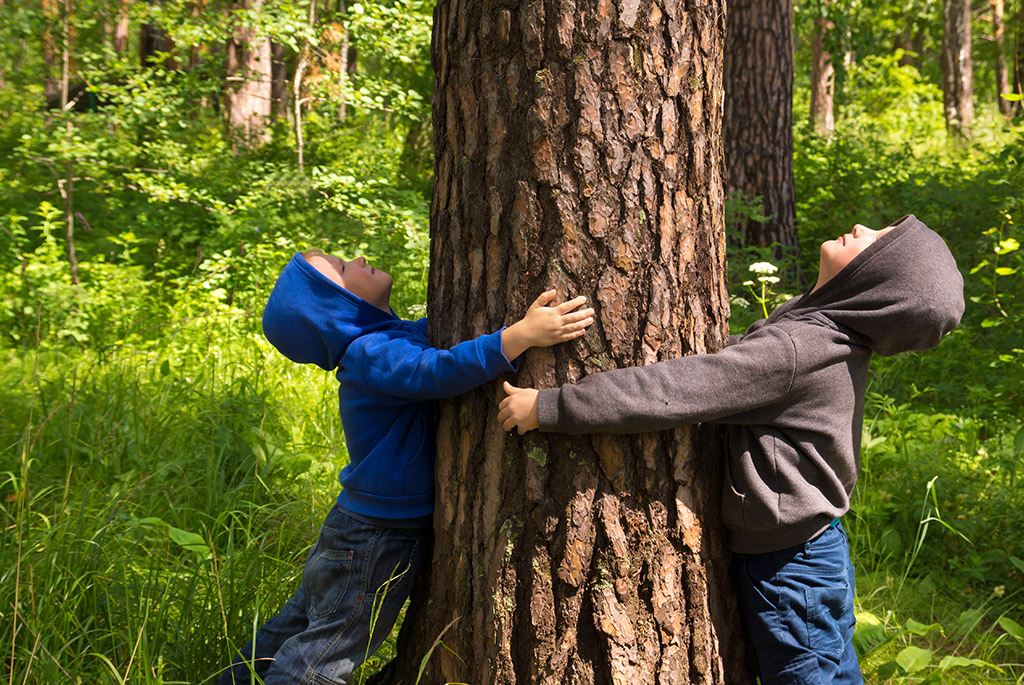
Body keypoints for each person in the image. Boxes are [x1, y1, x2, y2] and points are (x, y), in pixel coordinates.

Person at [496, 215, 964, 683]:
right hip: (810, 554)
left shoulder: (799, 348)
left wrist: (551, 406)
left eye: (876, 243)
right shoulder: (817, 332)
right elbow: (728, 371)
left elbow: (675, 390)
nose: (862, 228)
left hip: (791, 568)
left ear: (873, 284)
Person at [219, 248, 594, 685]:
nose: (358, 259)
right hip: (376, 537)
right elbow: (438, 369)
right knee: (322, 654)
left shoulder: (382, 341)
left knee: (294, 629)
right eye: (342, 269)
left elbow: (433, 343)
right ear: (340, 309)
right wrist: (518, 336)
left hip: (359, 527)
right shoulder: (371, 353)